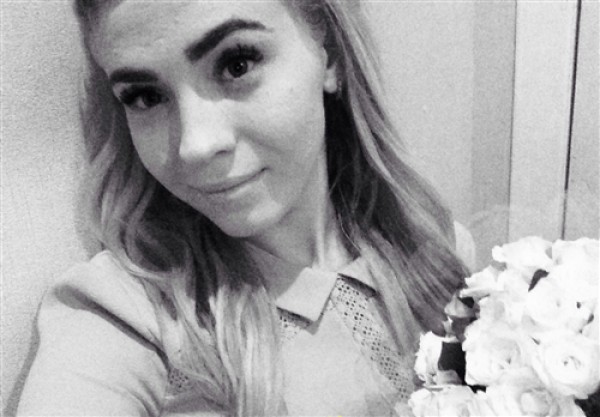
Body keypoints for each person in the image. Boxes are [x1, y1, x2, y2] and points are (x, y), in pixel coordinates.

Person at [17, 0, 474, 415]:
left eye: (236, 64)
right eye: (145, 96)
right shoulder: (123, 315)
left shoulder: (438, 252)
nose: (196, 145)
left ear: (330, 54)